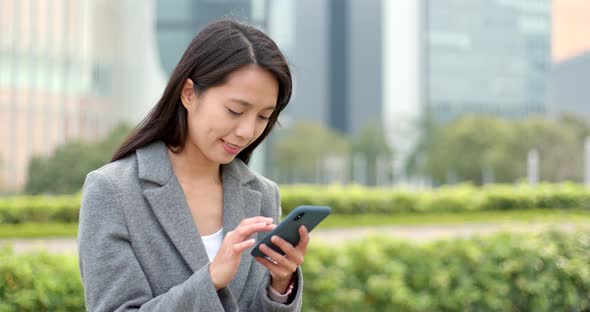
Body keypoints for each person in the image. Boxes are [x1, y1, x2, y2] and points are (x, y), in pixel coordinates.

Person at [77, 19, 307, 311]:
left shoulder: (263, 194)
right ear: (188, 93)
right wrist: (209, 281)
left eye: (264, 117)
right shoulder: (113, 191)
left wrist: (280, 285)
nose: (247, 131)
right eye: (235, 110)